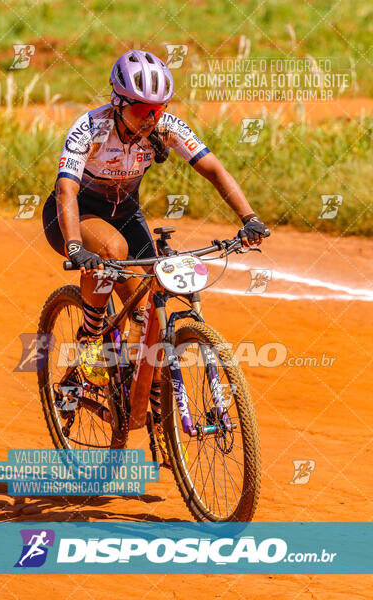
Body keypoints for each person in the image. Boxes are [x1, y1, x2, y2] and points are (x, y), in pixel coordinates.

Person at [42, 49, 268, 464]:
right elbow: (66, 190)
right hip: (75, 216)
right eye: (144, 108)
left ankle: (157, 417)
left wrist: (249, 218)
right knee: (110, 251)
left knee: (151, 316)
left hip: (126, 214)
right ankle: (91, 343)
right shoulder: (89, 128)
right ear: (119, 103)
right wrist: (76, 247)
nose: (152, 117)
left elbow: (213, 168)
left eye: (160, 108)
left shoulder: (165, 127)